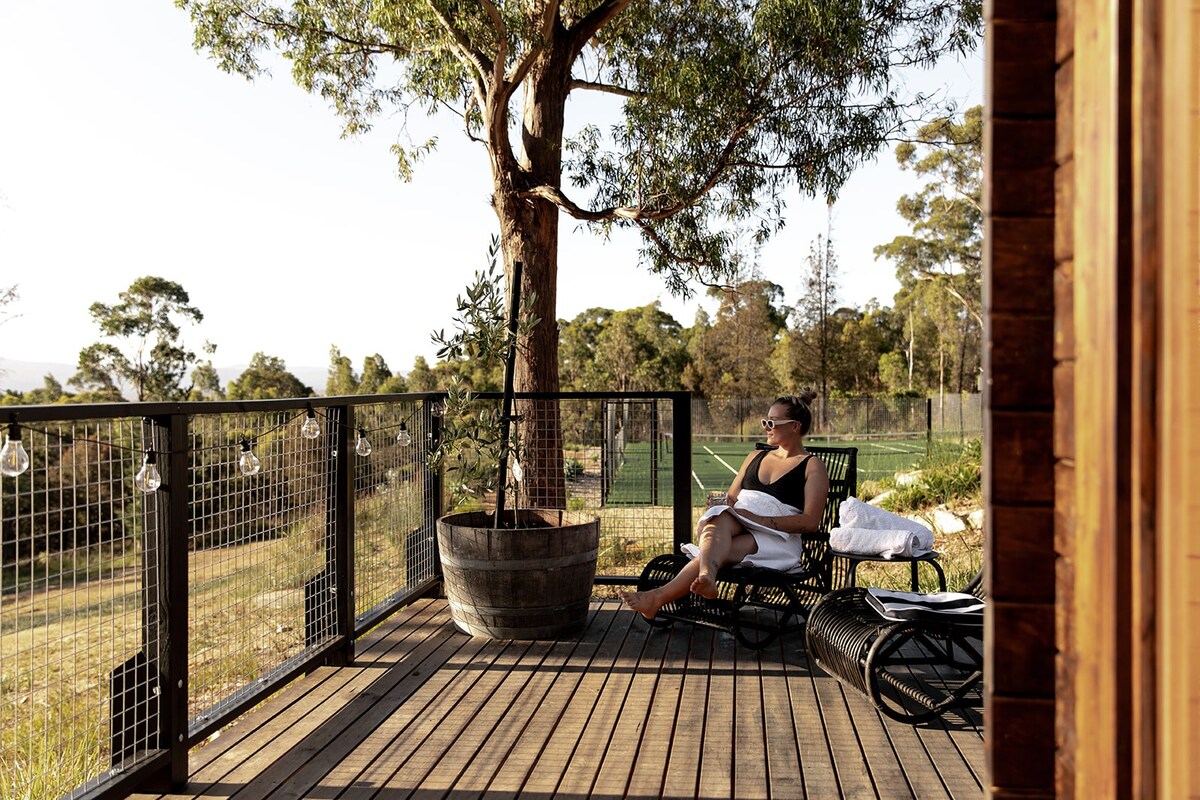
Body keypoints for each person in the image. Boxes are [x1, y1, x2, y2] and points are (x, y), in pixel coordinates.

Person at [618, 391, 830, 619]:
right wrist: (719, 505)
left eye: (772, 423)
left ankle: (661, 595)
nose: (766, 427)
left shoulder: (811, 466)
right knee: (718, 518)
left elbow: (810, 522)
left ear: (795, 426)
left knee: (717, 549)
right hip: (741, 522)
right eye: (764, 421)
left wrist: (761, 520)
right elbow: (731, 498)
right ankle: (705, 578)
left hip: (778, 539)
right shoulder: (755, 456)